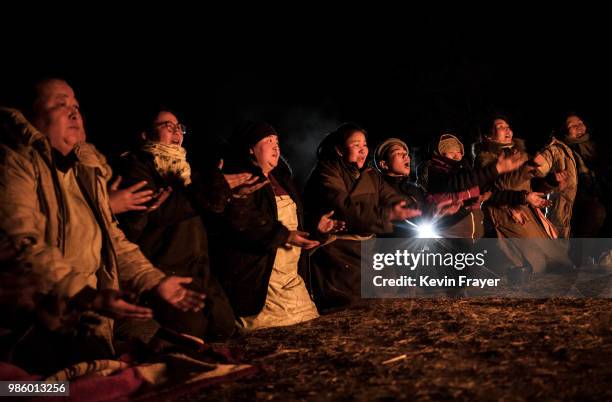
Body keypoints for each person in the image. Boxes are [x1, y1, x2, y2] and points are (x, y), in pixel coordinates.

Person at [0, 79, 204, 374]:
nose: (74, 113)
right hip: (30, 319)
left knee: (119, 372)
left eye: (76, 107)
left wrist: (154, 281)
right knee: (35, 391)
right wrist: (85, 294)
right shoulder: (13, 163)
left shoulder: (85, 172)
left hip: (85, 313)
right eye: (60, 104)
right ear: (29, 116)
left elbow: (112, 240)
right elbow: (19, 244)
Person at [115, 107, 264, 340]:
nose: (177, 131)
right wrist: (211, 188)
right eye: (167, 126)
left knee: (224, 328)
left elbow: (201, 208)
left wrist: (230, 194)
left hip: (198, 269)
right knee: (189, 337)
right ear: (144, 135)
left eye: (179, 127)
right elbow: (160, 213)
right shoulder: (135, 167)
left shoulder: (184, 168)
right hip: (165, 269)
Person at [214, 122, 344, 329]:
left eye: (277, 142)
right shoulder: (242, 180)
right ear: (250, 148)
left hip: (291, 281)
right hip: (260, 280)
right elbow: (244, 221)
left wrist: (316, 228)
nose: (276, 147)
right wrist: (283, 235)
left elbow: (295, 226)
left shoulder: (283, 182)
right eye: (268, 141)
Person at [303, 123, 421, 310]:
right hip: (338, 248)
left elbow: (395, 199)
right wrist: (387, 214)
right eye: (356, 145)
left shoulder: (370, 175)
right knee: (356, 301)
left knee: (388, 290)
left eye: (364, 145)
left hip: (366, 246)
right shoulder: (327, 172)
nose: (362, 150)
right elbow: (344, 208)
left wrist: (433, 207)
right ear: (340, 150)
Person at [473, 115, 569, 279]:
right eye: (501, 126)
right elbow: (499, 187)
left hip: (526, 207)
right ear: (488, 135)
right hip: (504, 209)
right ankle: (512, 268)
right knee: (534, 260)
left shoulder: (520, 154)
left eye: (508, 126)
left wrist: (551, 182)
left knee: (557, 257)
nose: (507, 130)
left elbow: (531, 186)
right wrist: (527, 168)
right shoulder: (485, 159)